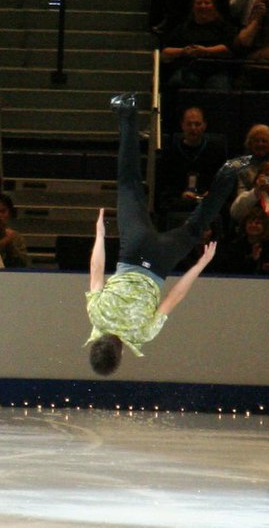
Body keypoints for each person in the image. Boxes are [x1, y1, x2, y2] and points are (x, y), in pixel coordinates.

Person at [85, 93, 241, 375]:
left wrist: (200, 264)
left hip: (160, 262)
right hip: (133, 249)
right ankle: (127, 112)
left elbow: (175, 296)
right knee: (129, 185)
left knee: (195, 227)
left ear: (120, 355)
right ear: (95, 345)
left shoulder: (143, 334)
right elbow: (97, 269)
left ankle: (229, 173)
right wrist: (99, 234)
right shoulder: (97, 314)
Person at [155, 105, 227, 219]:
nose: (193, 128)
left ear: (204, 125)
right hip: (178, 202)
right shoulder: (171, 152)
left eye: (197, 124)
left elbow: (221, 181)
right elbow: (164, 184)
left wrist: (210, 193)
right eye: (189, 124)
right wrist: (180, 194)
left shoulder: (215, 151)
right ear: (182, 125)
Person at [161, 0, 236, 92]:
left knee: (219, 86)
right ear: (193, 7)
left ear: (214, 6)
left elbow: (229, 50)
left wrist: (205, 51)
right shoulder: (183, 28)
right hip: (189, 70)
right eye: (199, 3)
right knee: (177, 82)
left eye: (207, 3)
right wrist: (183, 51)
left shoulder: (225, 28)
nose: (203, 6)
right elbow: (166, 52)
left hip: (217, 72)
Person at [217, 205, 269, 274]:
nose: (253, 225)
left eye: (257, 223)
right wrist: (252, 261)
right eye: (250, 222)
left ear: (264, 226)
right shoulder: (236, 247)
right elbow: (229, 271)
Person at [0, 194, 30, 268]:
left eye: (3, 211)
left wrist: (10, 246)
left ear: (9, 214)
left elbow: (23, 264)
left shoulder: (16, 237)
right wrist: (2, 243)